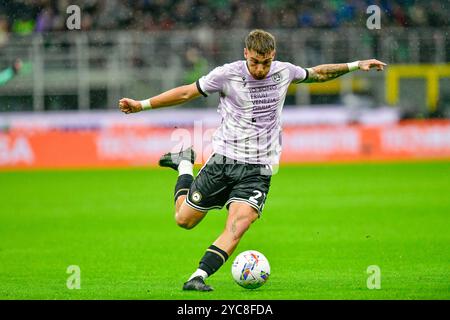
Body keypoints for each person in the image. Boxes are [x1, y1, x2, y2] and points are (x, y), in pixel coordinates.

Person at [118, 29, 386, 292]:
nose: (260, 69)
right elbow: (187, 92)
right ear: (245, 53)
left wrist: (355, 65)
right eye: (255, 62)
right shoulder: (227, 74)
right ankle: (184, 163)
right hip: (223, 162)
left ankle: (198, 276)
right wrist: (142, 105)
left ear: (273, 56)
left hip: (259, 170)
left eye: (266, 62)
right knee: (184, 220)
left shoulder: (284, 71)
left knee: (238, 225)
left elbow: (318, 73)